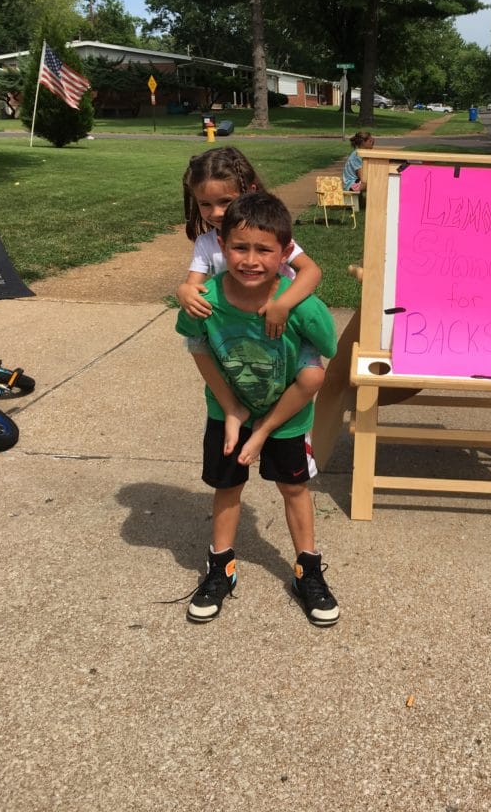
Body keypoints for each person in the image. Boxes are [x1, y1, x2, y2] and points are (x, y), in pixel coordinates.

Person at [176, 191, 339, 627]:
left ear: (285, 252)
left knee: (294, 489)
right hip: (226, 408)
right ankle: (220, 567)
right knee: (227, 486)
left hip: (285, 418)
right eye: (239, 248)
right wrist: (230, 406)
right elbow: (197, 346)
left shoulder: (300, 304)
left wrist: (296, 312)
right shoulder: (205, 297)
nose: (250, 260)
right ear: (221, 246)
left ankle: (308, 569)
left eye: (264, 250)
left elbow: (327, 350)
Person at [177, 145, 325, 401]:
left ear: (250, 192)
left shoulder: (266, 235)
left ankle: (290, 435)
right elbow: (193, 285)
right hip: (236, 337)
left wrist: (283, 305)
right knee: (229, 380)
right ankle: (231, 418)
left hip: (280, 332)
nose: (216, 213)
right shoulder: (207, 243)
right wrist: (184, 291)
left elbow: (311, 270)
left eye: (225, 201)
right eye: (205, 204)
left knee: (301, 381)